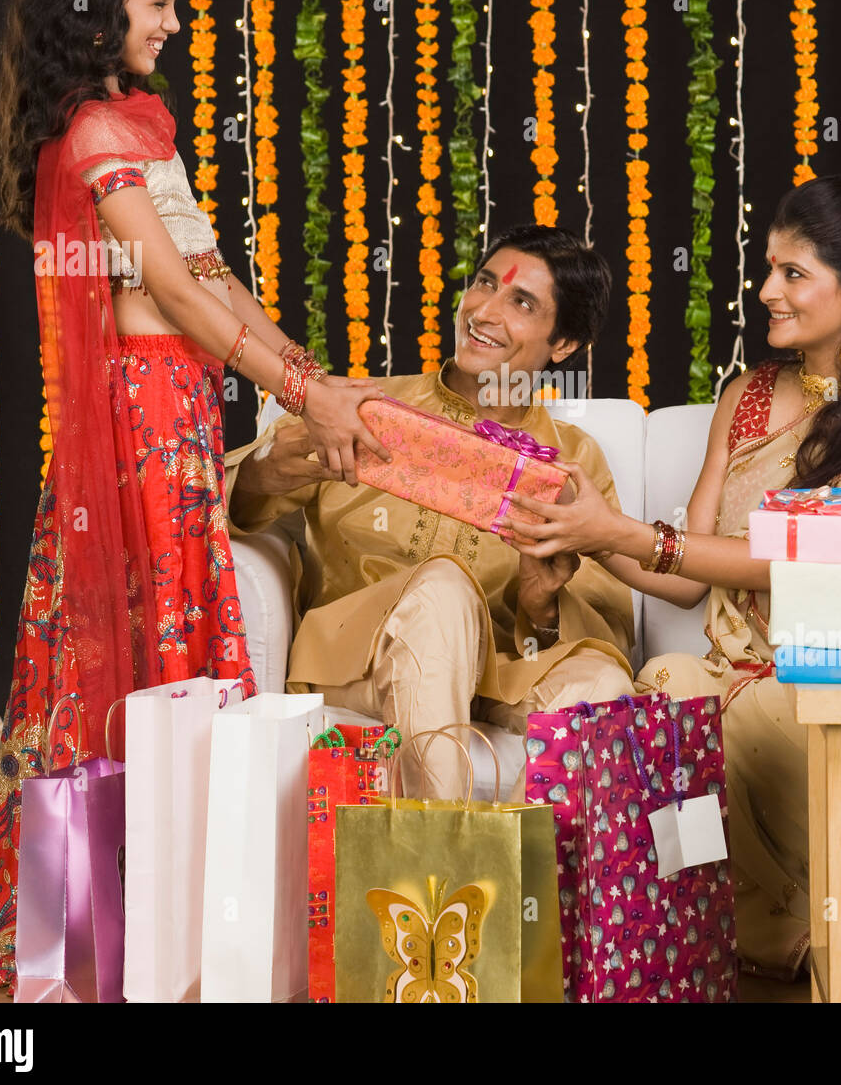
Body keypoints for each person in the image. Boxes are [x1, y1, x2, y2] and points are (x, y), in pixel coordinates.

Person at [0, 0, 387, 990]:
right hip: (134, 422)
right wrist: (304, 392)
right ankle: (94, 914)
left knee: (178, 647)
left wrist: (313, 376)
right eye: (159, 2)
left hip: (179, 412)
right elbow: (166, 289)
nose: (175, 21)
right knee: (123, 651)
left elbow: (210, 272)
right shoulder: (88, 134)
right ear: (97, 9)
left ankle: (177, 907)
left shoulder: (144, 121)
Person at [495, 176, 841, 979]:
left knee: (690, 698)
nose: (764, 290)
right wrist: (582, 527)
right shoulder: (745, 400)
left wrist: (619, 530)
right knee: (676, 684)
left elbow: (808, 557)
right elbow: (684, 575)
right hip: (733, 679)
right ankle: (830, 949)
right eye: (767, 267)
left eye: (792, 274)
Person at [225, 225, 637, 797]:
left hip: (497, 672)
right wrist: (268, 469)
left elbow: (607, 622)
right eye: (485, 284)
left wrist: (541, 605)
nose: (484, 311)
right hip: (357, 662)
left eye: (520, 302)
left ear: (562, 344)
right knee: (442, 589)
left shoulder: (571, 463)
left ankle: (518, 872)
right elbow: (216, 509)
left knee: (603, 682)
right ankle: (447, 868)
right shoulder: (358, 405)